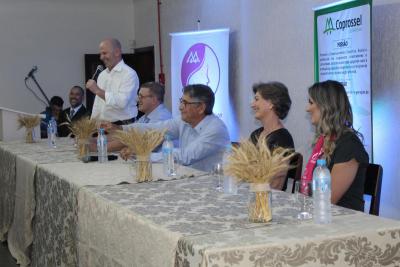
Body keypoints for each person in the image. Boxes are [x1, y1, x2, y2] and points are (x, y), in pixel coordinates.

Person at [116, 84, 230, 172]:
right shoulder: (183, 121)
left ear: (201, 107)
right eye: (181, 101)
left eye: (185, 103)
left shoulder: (216, 129)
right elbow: (155, 129)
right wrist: (120, 128)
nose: (180, 107)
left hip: (213, 183)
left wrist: (142, 155)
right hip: (189, 178)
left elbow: (185, 156)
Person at [303, 80, 369, 211]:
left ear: (326, 106)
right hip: (325, 216)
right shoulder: (325, 140)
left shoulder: (349, 145)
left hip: (345, 223)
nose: (307, 108)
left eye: (311, 102)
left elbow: (328, 199)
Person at [249, 82, 295, 190]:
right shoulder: (255, 134)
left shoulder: (283, 139)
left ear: (271, 103)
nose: (252, 105)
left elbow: (276, 185)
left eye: (256, 99)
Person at [106, 81, 172, 151]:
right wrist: (97, 140)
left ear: (154, 100)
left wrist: (99, 147)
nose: (138, 100)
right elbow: (127, 134)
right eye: (138, 96)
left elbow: (135, 139)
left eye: (141, 97)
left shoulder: (162, 117)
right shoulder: (145, 117)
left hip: (163, 160)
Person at [86, 38, 139, 125]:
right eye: (100, 54)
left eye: (104, 53)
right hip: (103, 127)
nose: (101, 57)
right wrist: (92, 125)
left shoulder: (129, 74)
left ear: (117, 52)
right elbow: (98, 103)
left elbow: (122, 103)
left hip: (123, 127)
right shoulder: (102, 74)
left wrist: (97, 90)